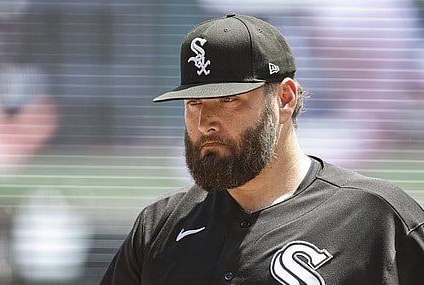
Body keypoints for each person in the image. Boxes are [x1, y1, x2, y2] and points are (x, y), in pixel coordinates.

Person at [101, 14, 424, 284]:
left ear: (285, 98)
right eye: (193, 102)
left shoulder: (378, 215)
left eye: (229, 100)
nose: (205, 123)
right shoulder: (160, 224)